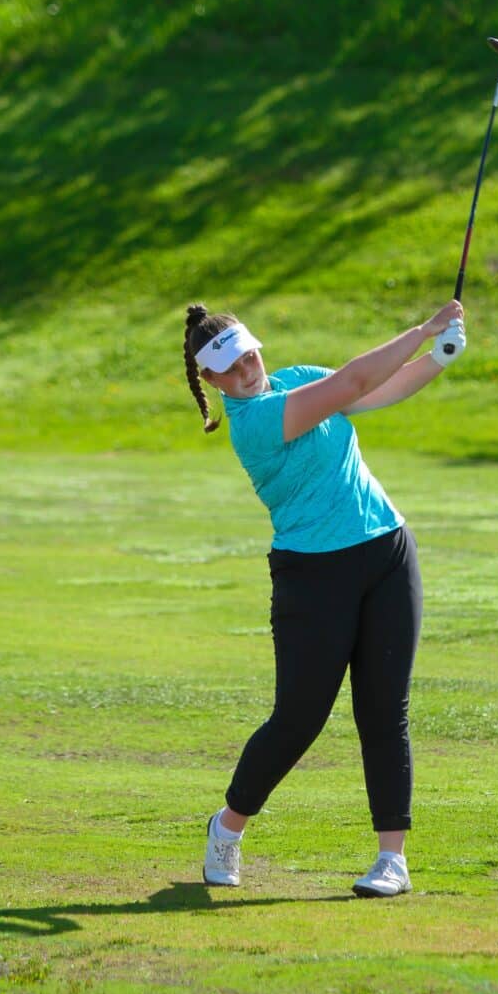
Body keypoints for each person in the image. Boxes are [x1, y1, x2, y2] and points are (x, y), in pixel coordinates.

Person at [182, 298, 466, 897]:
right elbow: (355, 380)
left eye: (249, 356)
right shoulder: (254, 423)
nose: (247, 371)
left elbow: (376, 390)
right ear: (210, 379)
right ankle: (227, 827)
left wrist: (438, 358)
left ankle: (392, 859)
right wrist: (422, 329)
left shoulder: (299, 381)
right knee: (298, 718)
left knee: (384, 711)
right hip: (313, 575)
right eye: (230, 368)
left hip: (387, 550)